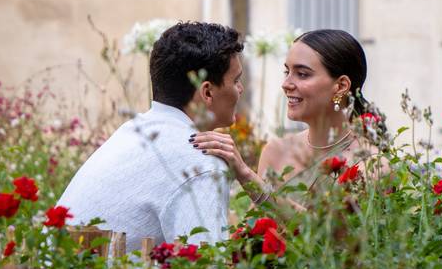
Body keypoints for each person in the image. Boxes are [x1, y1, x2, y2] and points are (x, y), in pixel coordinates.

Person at [57, 22, 244, 252]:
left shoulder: (134, 130)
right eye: (236, 80)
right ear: (207, 92)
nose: (240, 89)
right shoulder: (202, 162)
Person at [192, 29, 377, 199]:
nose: (286, 83)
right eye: (287, 71)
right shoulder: (276, 152)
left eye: (302, 74)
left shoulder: (371, 165)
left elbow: (329, 234)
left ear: (341, 86)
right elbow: (254, 230)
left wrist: (246, 174)